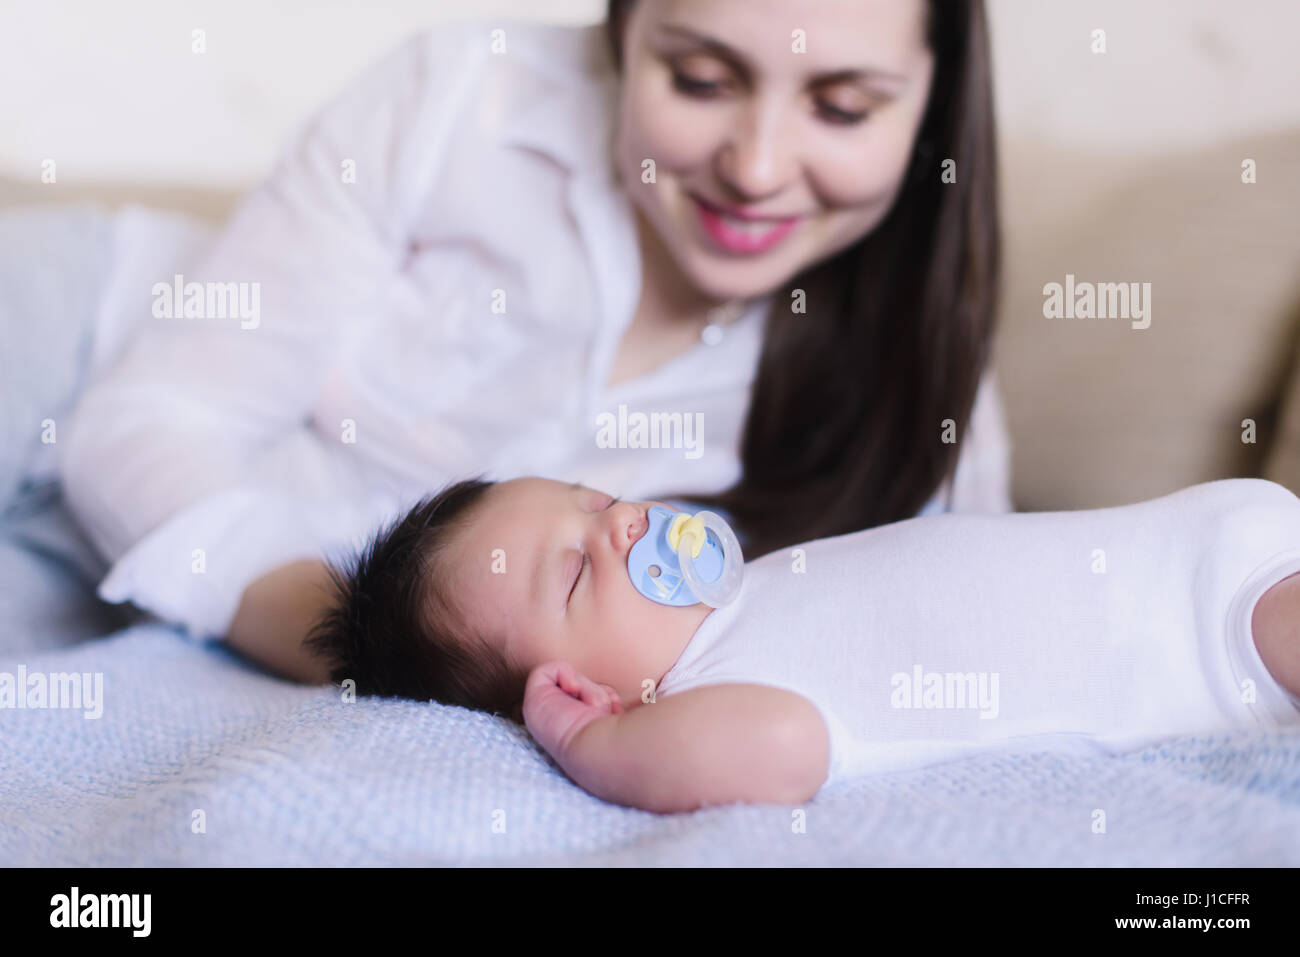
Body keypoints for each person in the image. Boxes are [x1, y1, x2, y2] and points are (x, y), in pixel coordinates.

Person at [56, 0, 1011, 682]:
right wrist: (361, 643)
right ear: (623, 30)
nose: (756, 168)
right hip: (80, 327)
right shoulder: (461, 96)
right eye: (701, 79)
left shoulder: (920, 415)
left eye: (843, 108)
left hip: (134, 580)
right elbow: (146, 419)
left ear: (935, 100)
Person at [304, 475, 1300, 813]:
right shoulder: (711, 696)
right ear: (572, 688)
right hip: (1206, 652)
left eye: (597, 499)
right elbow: (784, 753)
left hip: (1198, 543)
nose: (619, 527)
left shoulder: (756, 598)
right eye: (571, 574)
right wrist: (588, 747)